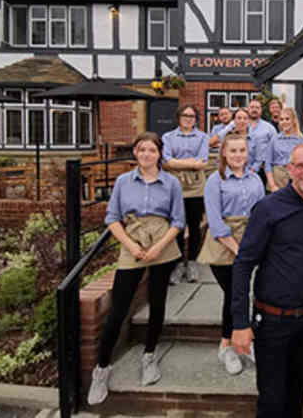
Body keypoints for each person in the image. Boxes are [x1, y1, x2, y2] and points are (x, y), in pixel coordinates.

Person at [231, 144, 303, 418]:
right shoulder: (268, 208)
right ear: (289, 169)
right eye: (300, 166)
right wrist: (239, 323)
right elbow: (243, 265)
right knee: (272, 399)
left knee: (298, 391)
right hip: (273, 321)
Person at [87, 132, 185, 405]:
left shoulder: (171, 184)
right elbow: (112, 218)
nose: (146, 155)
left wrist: (159, 248)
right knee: (118, 309)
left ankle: (150, 356)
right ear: (135, 153)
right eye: (141, 150)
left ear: (159, 154)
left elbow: (178, 221)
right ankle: (102, 368)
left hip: (162, 244)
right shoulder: (122, 182)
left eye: (151, 150)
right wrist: (130, 246)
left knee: (157, 304)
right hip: (132, 242)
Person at [198, 133, 265, 376]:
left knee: (245, 293)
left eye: (242, 151)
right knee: (234, 294)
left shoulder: (256, 179)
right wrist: (239, 251)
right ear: (224, 153)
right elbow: (215, 222)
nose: (238, 155)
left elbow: (261, 213)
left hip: (248, 239)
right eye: (233, 151)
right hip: (224, 244)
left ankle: (245, 343)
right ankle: (227, 345)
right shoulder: (215, 181)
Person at [162, 104, 210, 284]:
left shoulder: (203, 137)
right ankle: (178, 264)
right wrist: (189, 163)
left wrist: (177, 162)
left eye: (192, 116)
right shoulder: (168, 137)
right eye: (185, 115)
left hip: (196, 187)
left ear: (196, 119)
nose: (188, 119)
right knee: (177, 225)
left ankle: (192, 263)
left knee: (194, 225)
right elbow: (166, 161)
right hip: (175, 186)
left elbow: (202, 162)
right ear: (179, 117)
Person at [265, 107, 303, 192]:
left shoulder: (302, 140)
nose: (284, 122)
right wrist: (272, 185)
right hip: (277, 179)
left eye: (287, 119)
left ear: (293, 120)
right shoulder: (274, 139)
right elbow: (268, 164)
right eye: (281, 119)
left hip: (295, 180)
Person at [245, 99, 277, 183]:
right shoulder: (240, 125)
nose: (254, 109)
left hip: (262, 170)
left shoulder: (269, 128)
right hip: (241, 168)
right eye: (252, 107)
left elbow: (275, 148)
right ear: (247, 109)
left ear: (261, 110)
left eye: (257, 108)